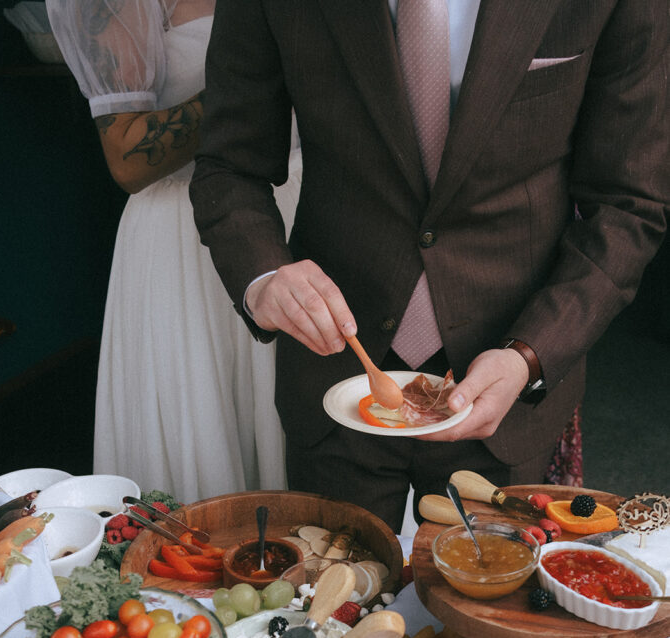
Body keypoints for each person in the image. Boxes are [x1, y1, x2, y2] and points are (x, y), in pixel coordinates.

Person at [189, 0, 668, 533]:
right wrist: (262, 278)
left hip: (508, 388)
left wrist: (531, 355)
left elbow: (628, 206)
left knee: (486, 613)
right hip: (335, 383)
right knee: (327, 607)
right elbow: (228, 166)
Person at [46, 0, 302, 503]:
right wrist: (266, 72)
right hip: (185, 241)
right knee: (204, 447)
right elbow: (126, 157)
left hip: (297, 217)